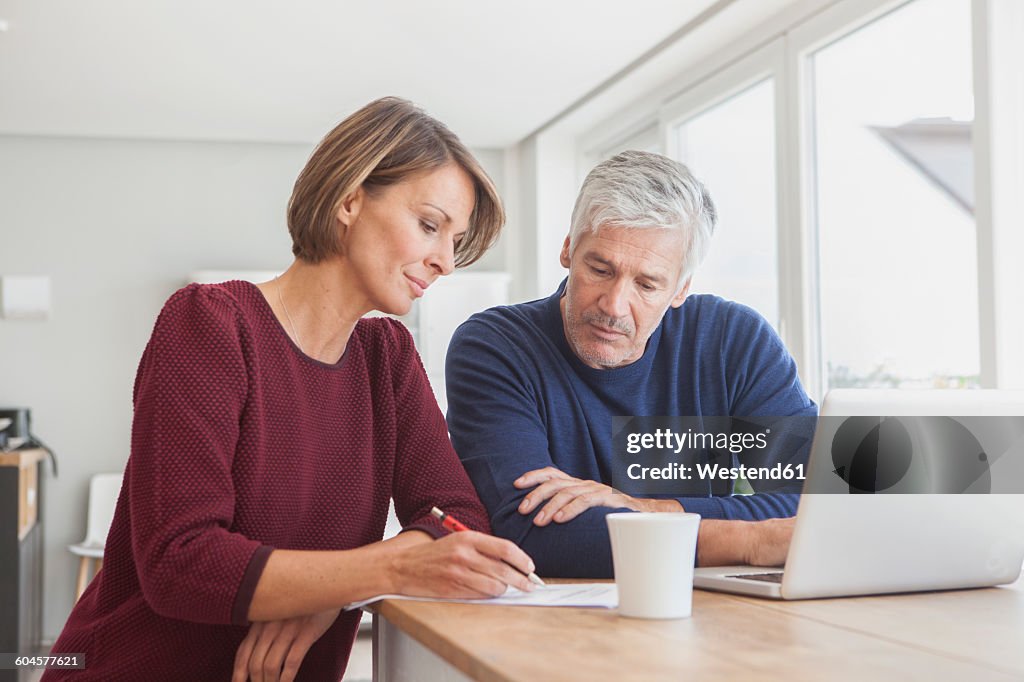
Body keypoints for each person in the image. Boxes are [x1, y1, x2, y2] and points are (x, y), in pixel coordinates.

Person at [45, 97, 537, 682]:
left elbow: (459, 517)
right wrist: (375, 570)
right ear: (350, 199)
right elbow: (179, 562)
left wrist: (332, 591)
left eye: (455, 240)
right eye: (430, 226)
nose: (446, 263)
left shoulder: (388, 359)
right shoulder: (209, 323)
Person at [445, 150, 817, 578]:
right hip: (557, 628)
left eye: (647, 284)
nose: (614, 305)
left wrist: (648, 509)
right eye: (600, 269)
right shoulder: (496, 347)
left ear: (680, 289)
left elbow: (818, 499)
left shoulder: (733, 340)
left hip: (714, 612)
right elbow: (531, 531)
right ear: (568, 249)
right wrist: (750, 541)